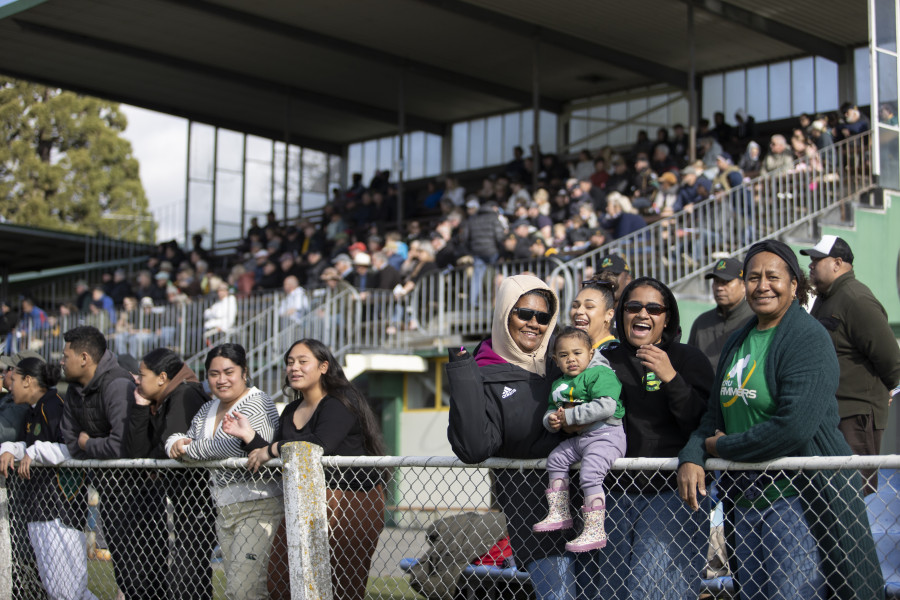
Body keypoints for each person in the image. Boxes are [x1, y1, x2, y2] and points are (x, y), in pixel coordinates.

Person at [677, 239, 882, 600]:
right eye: (753, 277)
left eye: (773, 276)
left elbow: (793, 427)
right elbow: (713, 414)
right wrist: (694, 454)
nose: (762, 285)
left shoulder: (808, 338)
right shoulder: (738, 340)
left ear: (794, 285)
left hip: (795, 502)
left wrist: (722, 448)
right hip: (744, 502)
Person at [223, 338, 386, 600]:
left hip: (351, 500)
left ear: (323, 367)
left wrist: (272, 449)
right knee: (280, 579)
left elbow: (320, 444)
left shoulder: (340, 402)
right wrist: (250, 436)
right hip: (305, 501)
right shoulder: (289, 410)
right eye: (289, 363)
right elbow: (283, 456)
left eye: (302, 361)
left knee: (341, 586)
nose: (294, 368)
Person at [446, 274, 578, 600]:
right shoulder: (484, 371)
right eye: (524, 313)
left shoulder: (563, 366)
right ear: (505, 312)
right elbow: (473, 447)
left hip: (593, 513)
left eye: (543, 317)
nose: (534, 323)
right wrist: (464, 372)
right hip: (540, 521)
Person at [587, 277, 714, 599]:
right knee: (611, 592)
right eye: (634, 306)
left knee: (653, 590)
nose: (643, 314)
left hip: (670, 493)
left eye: (654, 308)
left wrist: (670, 377)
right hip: (613, 494)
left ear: (667, 317)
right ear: (621, 314)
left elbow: (703, 423)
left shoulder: (688, 359)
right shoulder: (604, 360)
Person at [165, 343, 282, 600]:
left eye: (229, 372)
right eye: (214, 374)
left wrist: (188, 450)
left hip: (259, 505)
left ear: (244, 372)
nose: (222, 380)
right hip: (224, 509)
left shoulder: (258, 401)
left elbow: (232, 447)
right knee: (239, 589)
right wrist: (173, 444)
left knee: (244, 591)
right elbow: (184, 439)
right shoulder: (208, 408)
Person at [802, 235, 900, 495]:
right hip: (832, 413)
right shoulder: (826, 298)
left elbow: (890, 357)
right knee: (830, 493)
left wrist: (888, 388)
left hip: (855, 414)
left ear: (837, 263)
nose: (811, 265)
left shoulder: (856, 298)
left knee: (852, 494)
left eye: (816, 260)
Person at [125, 348, 217, 600]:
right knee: (186, 578)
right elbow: (138, 452)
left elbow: (170, 446)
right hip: (184, 501)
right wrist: (141, 407)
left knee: (185, 578)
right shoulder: (159, 401)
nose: (137, 380)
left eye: (142, 375)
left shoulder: (185, 394)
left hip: (203, 500)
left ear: (162, 377)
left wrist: (155, 455)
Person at [0, 357, 95, 600]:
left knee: (69, 592)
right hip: (39, 511)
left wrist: (35, 452)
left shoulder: (54, 405)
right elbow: (29, 445)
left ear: (29, 380)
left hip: (61, 511)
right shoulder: (35, 410)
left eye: (16, 378)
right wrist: (12, 448)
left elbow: (72, 448)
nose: (9, 383)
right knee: (56, 591)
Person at [534, 326, 625, 553]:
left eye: (577, 353)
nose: (571, 359)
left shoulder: (600, 373)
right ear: (555, 360)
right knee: (555, 459)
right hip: (581, 438)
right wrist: (551, 421)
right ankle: (560, 512)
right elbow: (550, 410)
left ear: (591, 354)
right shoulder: (560, 384)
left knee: (590, 472)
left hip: (606, 436)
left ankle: (595, 529)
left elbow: (607, 405)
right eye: (564, 355)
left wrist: (570, 416)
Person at [688, 258, 754, 367]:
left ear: (743, 285)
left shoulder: (755, 319)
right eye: (716, 282)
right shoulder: (702, 322)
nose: (719, 288)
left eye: (726, 282)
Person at [570, 275, 619, 351]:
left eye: (589, 306)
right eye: (575, 306)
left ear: (609, 314)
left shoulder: (615, 353)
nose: (579, 311)